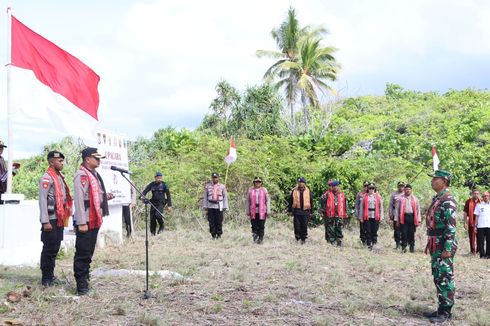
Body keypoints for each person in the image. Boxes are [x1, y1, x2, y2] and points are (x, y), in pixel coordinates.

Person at [73, 147, 113, 295]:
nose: (99, 160)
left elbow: (93, 196)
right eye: (96, 158)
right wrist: (82, 222)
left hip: (94, 219)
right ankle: (81, 286)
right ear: (87, 159)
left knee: (88, 253)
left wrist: (105, 196)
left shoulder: (93, 174)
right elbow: (79, 200)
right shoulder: (82, 175)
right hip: (86, 221)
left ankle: (85, 280)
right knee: (83, 253)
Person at [423, 170, 457, 323]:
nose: (432, 181)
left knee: (445, 277)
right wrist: (429, 242)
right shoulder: (438, 198)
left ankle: (446, 312)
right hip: (436, 243)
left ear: (444, 181)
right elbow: (433, 225)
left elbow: (451, 227)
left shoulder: (448, 200)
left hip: (444, 244)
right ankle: (441, 307)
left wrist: (448, 248)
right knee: (438, 276)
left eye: (435, 179)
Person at [38, 151, 73, 286]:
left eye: (62, 161)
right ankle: (46, 279)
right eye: (59, 161)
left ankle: (50, 276)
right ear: (51, 162)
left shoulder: (59, 177)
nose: (61, 163)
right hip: (50, 219)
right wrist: (45, 221)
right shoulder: (47, 178)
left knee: (55, 248)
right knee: (49, 249)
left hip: (59, 218)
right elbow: (42, 200)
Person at [319, 180, 347, 246]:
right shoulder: (326, 194)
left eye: (337, 186)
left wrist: (345, 213)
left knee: (339, 228)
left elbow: (345, 204)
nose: (336, 187)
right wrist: (322, 212)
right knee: (331, 228)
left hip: (339, 214)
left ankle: (339, 241)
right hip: (330, 214)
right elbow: (322, 204)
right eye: (334, 186)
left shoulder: (342, 194)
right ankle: (332, 242)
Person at [394, 184, 421, 253]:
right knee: (404, 233)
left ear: (411, 190)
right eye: (406, 189)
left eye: (409, 189)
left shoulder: (415, 199)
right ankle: (403, 248)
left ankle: (411, 248)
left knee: (411, 233)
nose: (407, 190)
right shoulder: (400, 199)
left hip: (412, 217)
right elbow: (397, 210)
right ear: (404, 190)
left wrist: (419, 219)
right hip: (403, 217)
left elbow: (418, 210)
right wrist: (396, 220)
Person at [358, 182, 384, 250]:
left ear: (374, 189)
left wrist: (381, 216)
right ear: (368, 189)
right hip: (367, 215)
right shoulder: (364, 196)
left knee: (374, 230)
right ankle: (369, 244)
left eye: (373, 188)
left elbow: (381, 207)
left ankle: (374, 243)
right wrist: (361, 217)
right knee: (368, 230)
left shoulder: (378, 196)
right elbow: (361, 207)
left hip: (375, 215)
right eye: (370, 188)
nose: (371, 189)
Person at [203, 172, 228, 239]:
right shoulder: (208, 186)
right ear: (212, 178)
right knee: (211, 221)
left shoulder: (222, 186)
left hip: (219, 205)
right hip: (210, 206)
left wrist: (225, 206)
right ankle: (213, 235)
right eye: (214, 178)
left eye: (216, 177)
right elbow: (205, 197)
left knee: (219, 221)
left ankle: (219, 235)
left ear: (218, 178)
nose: (215, 179)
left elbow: (225, 197)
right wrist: (205, 206)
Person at [245, 177, 271, 244]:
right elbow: (248, 201)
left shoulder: (264, 190)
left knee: (261, 226)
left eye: (259, 182)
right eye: (256, 182)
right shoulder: (250, 190)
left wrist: (268, 211)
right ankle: (255, 239)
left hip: (262, 211)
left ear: (261, 183)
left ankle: (260, 239)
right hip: (253, 211)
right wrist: (247, 211)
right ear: (254, 182)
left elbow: (267, 200)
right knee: (254, 226)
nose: (258, 183)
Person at [288, 177, 313, 244]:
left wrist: (311, 212)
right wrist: (290, 210)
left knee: (304, 226)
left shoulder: (308, 191)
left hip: (305, 211)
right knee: (297, 226)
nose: (300, 184)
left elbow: (311, 201)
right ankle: (297, 238)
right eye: (299, 182)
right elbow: (290, 201)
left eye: (302, 182)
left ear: (304, 183)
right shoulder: (294, 191)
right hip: (297, 211)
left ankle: (303, 239)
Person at [463, 189, 481, 255]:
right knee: (472, 237)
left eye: (477, 193)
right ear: (472, 194)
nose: (476, 195)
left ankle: (479, 251)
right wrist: (464, 222)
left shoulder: (481, 202)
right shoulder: (468, 201)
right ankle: (473, 251)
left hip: (480, 222)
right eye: (475, 193)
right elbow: (465, 212)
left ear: (479, 194)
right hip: (471, 221)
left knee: (480, 237)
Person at [474, 191, 490, 259]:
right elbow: (477, 216)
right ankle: (482, 255)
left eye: (487, 196)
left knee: (489, 241)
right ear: (482, 197)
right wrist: (475, 226)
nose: (486, 197)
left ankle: (488, 255)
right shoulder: (479, 205)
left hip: (489, 226)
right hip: (480, 226)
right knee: (481, 241)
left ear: (489, 197)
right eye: (484, 196)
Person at [389, 181, 405, 249]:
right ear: (397, 186)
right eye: (400, 186)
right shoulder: (394, 194)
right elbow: (390, 205)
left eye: (402, 186)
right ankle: (397, 244)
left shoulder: (406, 194)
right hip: (396, 215)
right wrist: (390, 214)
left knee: (404, 230)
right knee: (397, 230)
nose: (401, 187)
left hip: (404, 215)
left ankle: (403, 244)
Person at [355, 181, 369, 245]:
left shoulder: (372, 194)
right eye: (365, 186)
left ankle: (369, 241)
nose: (366, 187)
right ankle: (363, 242)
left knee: (369, 228)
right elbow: (357, 206)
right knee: (362, 228)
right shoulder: (359, 194)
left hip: (369, 215)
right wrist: (357, 215)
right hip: (362, 214)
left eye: (367, 186)